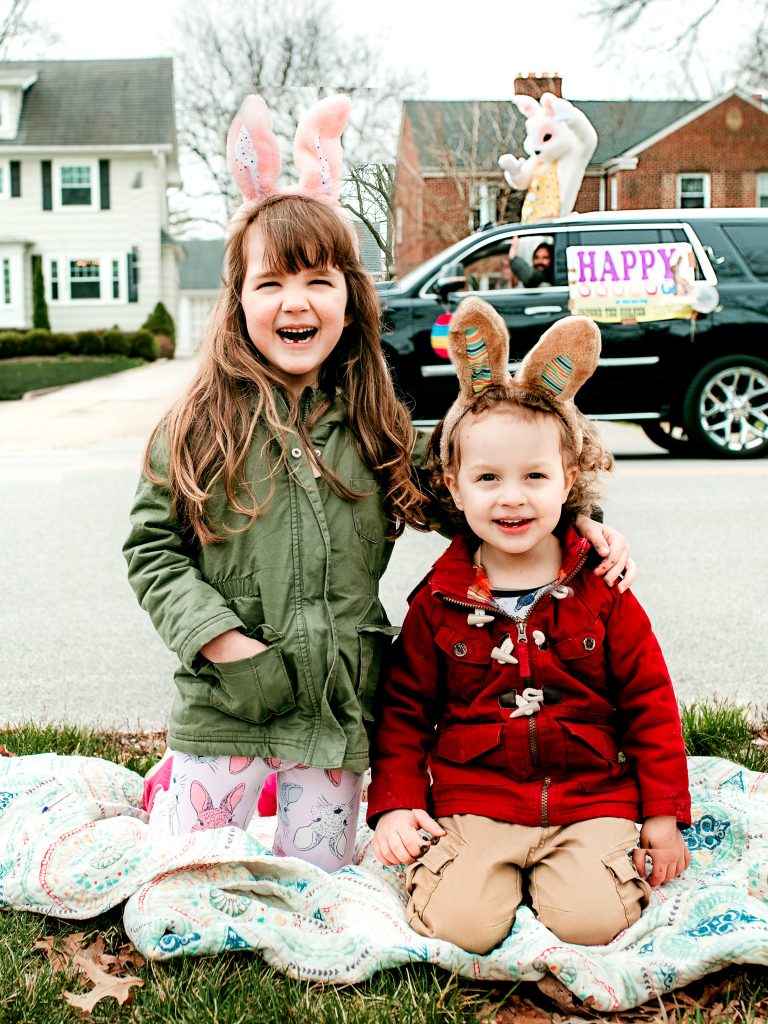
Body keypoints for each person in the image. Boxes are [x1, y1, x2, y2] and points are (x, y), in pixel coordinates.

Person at [124, 96, 634, 874]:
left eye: (318, 281)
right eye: (271, 284)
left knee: (318, 883)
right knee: (187, 877)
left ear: (349, 300)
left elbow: (473, 494)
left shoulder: (374, 424)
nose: (295, 302)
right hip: (223, 706)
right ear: (238, 302)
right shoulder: (195, 424)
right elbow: (152, 550)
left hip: (337, 711)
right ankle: (177, 788)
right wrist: (223, 646)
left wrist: (579, 523)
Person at [368, 297, 690, 950]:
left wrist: (661, 815)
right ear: (454, 487)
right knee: (460, 929)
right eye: (488, 477)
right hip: (477, 798)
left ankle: (569, 877)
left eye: (534, 476)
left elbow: (650, 704)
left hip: (588, 800)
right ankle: (478, 879)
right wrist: (397, 804)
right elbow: (404, 712)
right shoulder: (439, 602)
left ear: (567, 480)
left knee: (596, 923)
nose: (512, 496)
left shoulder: (603, 588)